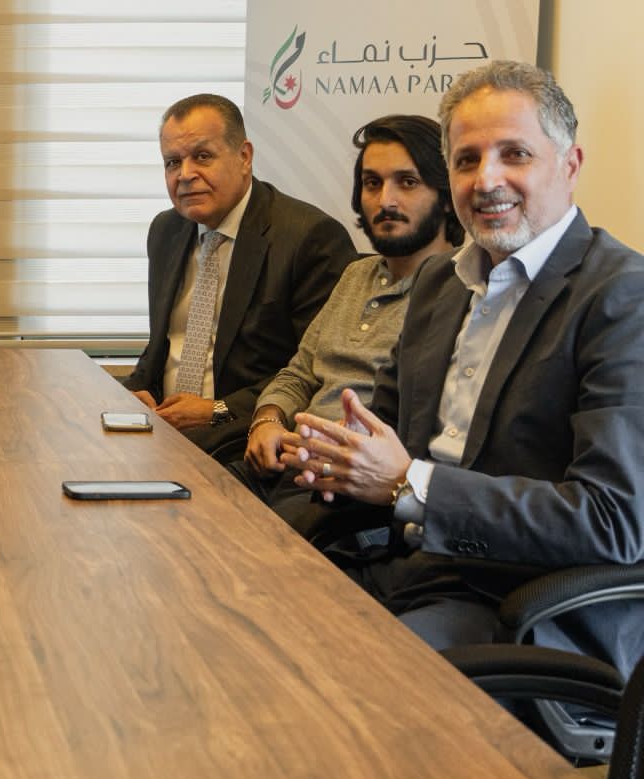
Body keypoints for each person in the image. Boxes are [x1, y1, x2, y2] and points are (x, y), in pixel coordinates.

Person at [280, 61, 644, 670]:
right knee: (241, 607)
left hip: (518, 605)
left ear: (570, 166)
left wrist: (409, 484)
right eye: (467, 160)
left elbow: (612, 522)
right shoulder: (438, 284)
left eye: (514, 154)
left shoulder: (623, 296)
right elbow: (386, 437)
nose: (486, 180)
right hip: (411, 567)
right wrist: (336, 461)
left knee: (335, 678)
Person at [241, 115, 460, 527]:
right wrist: (267, 420)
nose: (385, 200)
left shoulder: (461, 289)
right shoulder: (356, 274)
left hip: (356, 489)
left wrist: (335, 447)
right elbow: (299, 372)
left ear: (447, 197)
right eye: (372, 183)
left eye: (407, 182)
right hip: (289, 462)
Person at [122, 94, 357, 456]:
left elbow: (316, 373)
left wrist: (216, 410)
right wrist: (134, 394)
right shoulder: (166, 231)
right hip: (163, 430)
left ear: (244, 156)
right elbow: (161, 349)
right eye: (172, 162)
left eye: (202, 156)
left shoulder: (309, 239)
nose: (185, 175)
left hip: (243, 440)